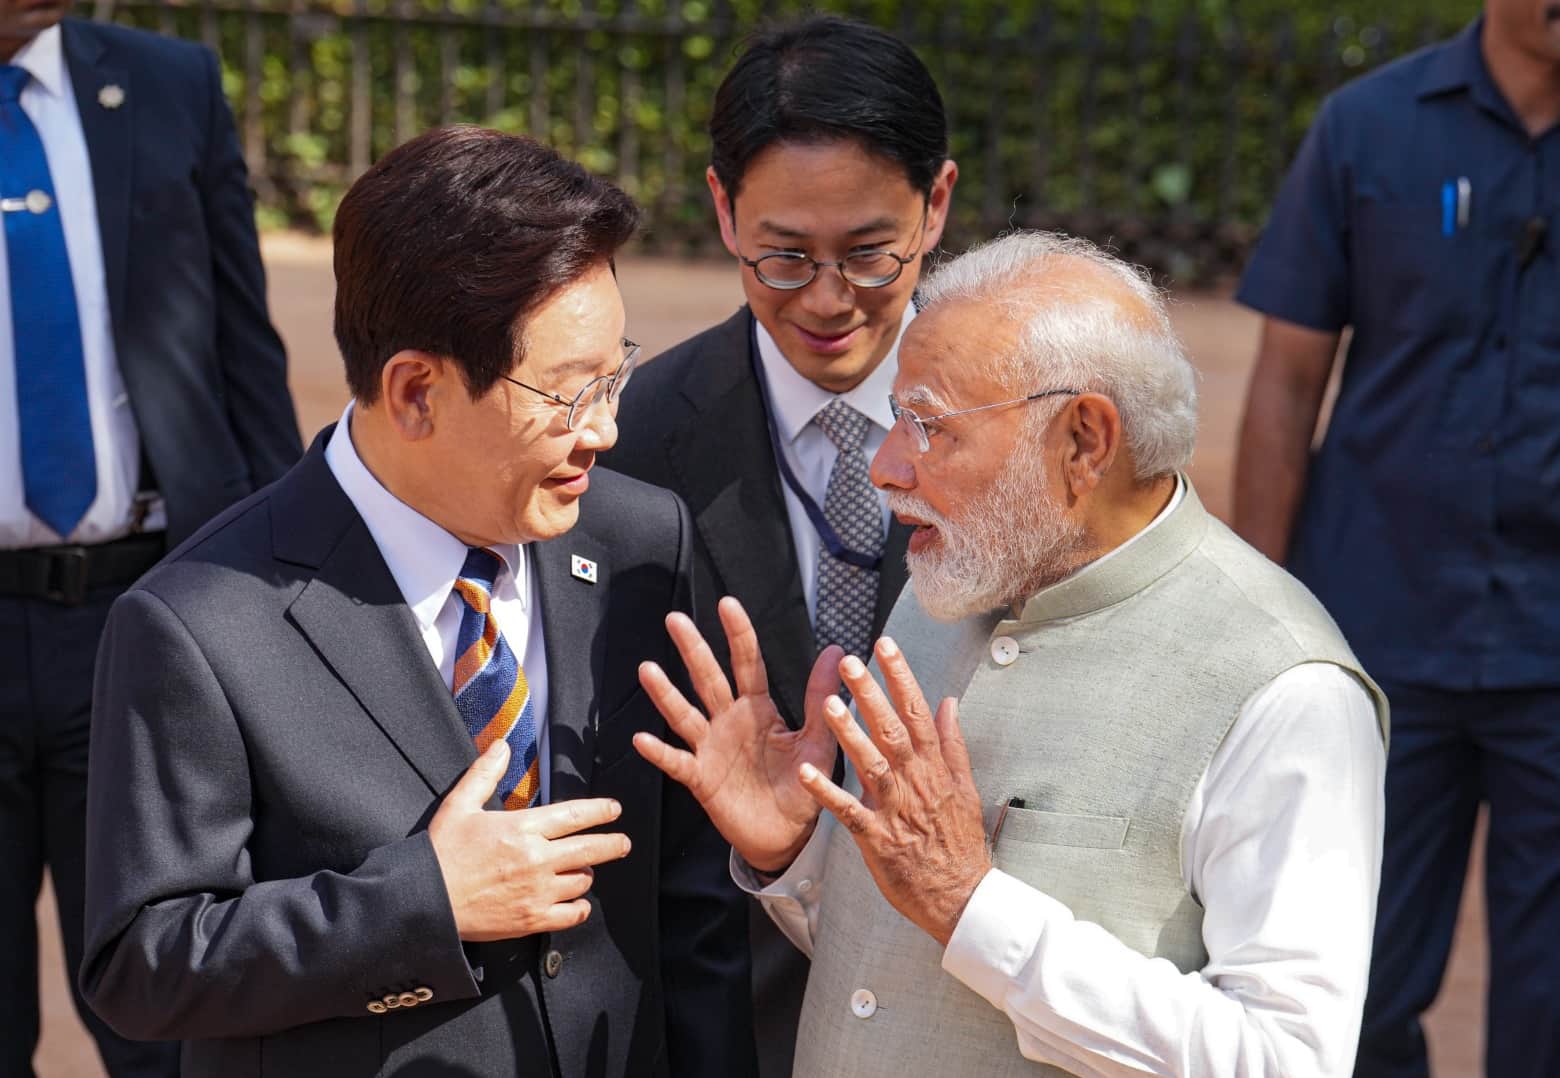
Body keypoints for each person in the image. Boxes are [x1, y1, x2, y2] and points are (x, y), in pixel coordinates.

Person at [80, 125, 754, 1078]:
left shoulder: (642, 541)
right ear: (414, 392)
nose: (605, 427)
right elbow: (142, 965)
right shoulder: (197, 622)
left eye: (615, 374)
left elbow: (691, 905)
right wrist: (419, 907)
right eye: (566, 395)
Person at [634, 231, 1390, 1078]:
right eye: (897, 421)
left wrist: (973, 907)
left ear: (1084, 441)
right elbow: (893, 963)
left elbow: (1286, 1059)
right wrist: (796, 853)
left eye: (929, 427)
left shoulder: (1285, 689)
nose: (886, 468)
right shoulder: (947, 582)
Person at [1232, 3, 1560, 1074]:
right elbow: (1285, 381)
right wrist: (1259, 622)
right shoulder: (1368, 127)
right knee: (1348, 980)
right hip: (1375, 635)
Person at [605, 17, 956, 1073]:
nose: (827, 300)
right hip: (726, 1012)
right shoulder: (632, 446)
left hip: (956, 997)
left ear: (936, 205)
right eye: (784, 254)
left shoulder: (1019, 428)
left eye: (867, 253)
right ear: (722, 209)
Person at [0, 0, 301, 1071]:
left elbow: (244, 353)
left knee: (167, 1009)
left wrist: (290, 589)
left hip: (144, 616)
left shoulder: (168, 86)